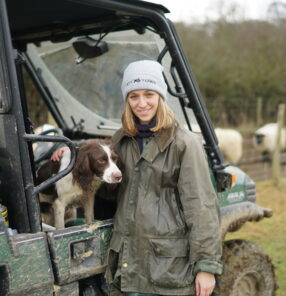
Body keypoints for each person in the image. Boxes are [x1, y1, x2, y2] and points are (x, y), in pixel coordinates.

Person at [52, 60, 223, 296]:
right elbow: (108, 182)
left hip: (169, 264)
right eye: (134, 96)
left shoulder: (185, 143)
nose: (141, 103)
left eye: (149, 94)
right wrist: (72, 157)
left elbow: (201, 207)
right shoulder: (122, 139)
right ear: (127, 100)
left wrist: (206, 266)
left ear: (161, 96)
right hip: (128, 261)